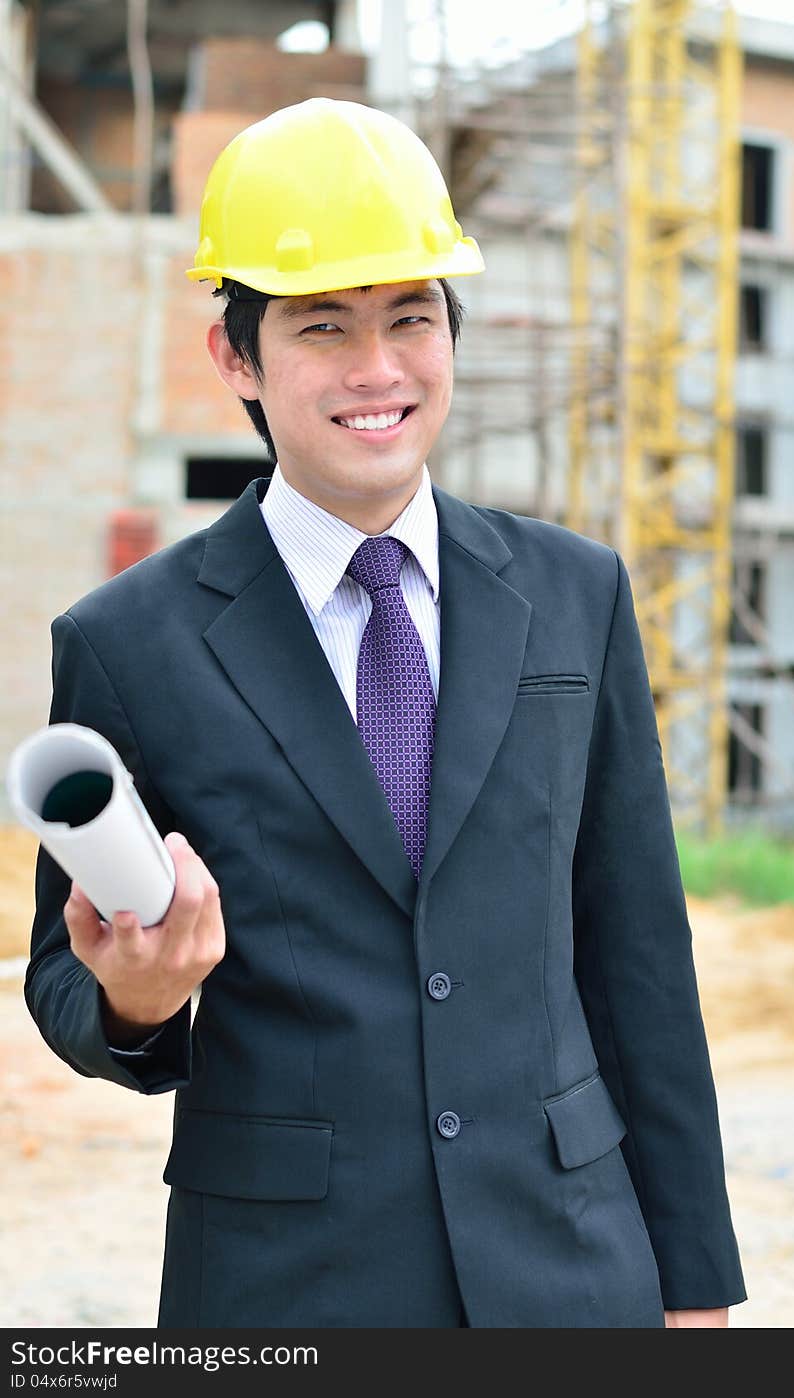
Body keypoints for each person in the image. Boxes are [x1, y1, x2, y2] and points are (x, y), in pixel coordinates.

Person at [25, 98, 746, 1328]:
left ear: (451, 334)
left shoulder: (574, 596)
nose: (378, 370)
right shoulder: (127, 644)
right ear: (236, 358)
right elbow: (66, 980)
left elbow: (636, 958)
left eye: (410, 318)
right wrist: (141, 999)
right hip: (284, 1291)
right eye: (323, 327)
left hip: (568, 1267)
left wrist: (696, 1287)